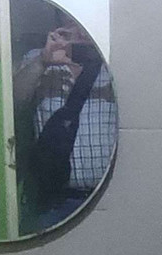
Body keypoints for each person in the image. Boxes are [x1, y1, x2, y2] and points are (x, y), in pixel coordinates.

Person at [14, 20, 116, 231]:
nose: (80, 31)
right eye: (74, 23)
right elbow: (12, 102)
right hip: (51, 202)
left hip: (111, 194)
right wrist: (43, 61)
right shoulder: (38, 58)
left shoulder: (114, 61)